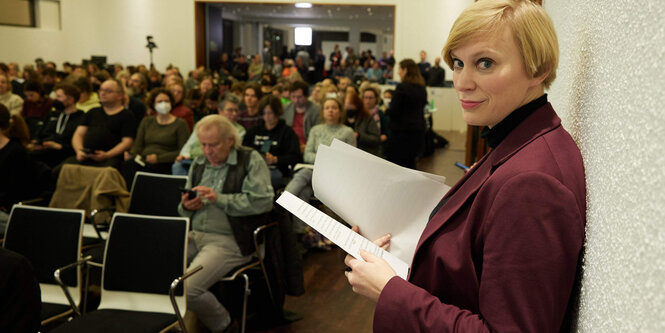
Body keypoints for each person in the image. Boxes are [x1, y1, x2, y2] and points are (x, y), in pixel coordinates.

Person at [344, 1, 586, 332]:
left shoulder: (532, 182)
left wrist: (389, 290)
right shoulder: (518, 140)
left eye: (485, 63)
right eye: (458, 63)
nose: (462, 81)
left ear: (538, 69)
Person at [178, 114, 273, 333]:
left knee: (187, 289)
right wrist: (186, 205)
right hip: (195, 234)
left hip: (231, 240)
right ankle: (183, 324)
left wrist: (218, 198)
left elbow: (262, 202)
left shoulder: (250, 160)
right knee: (155, 271)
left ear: (230, 140)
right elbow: (182, 206)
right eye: (203, 144)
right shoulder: (200, 162)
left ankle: (225, 325)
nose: (207, 151)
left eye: (214, 144)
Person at [284, 97, 356, 234]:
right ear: (322, 112)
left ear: (340, 112)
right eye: (327, 108)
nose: (330, 111)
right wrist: (326, 158)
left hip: (336, 174)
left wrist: (326, 160)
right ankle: (301, 232)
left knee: (304, 177)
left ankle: (284, 201)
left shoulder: (347, 132)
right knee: (304, 188)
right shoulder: (315, 130)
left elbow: (351, 159)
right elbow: (307, 155)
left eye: (334, 108)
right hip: (315, 170)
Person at [121, 88, 189, 186]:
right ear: (153, 104)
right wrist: (132, 154)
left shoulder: (180, 124)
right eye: (160, 101)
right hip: (144, 159)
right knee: (128, 165)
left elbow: (183, 151)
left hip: (166, 162)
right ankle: (129, 197)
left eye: (166, 101)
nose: (163, 104)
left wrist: (159, 158)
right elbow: (138, 144)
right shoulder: (147, 121)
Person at [68, 79, 136, 169]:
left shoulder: (127, 115)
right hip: (86, 155)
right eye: (101, 90)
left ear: (119, 95)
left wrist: (107, 155)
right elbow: (78, 134)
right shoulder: (92, 112)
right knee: (59, 171)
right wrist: (79, 151)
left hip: (111, 158)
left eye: (108, 91)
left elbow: (127, 142)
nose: (103, 93)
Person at [173, 95, 245, 176]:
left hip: (212, 161)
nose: (234, 114)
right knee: (177, 166)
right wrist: (183, 155)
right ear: (220, 111)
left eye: (236, 110)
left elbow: (230, 152)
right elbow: (190, 143)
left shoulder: (239, 130)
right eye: (230, 110)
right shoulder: (206, 123)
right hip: (191, 160)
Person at [243, 95, 302, 189]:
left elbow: (295, 157)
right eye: (264, 113)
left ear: (277, 112)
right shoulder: (253, 131)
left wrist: (276, 159)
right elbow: (244, 151)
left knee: (262, 178)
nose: (267, 117)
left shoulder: (286, 132)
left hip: (276, 170)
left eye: (270, 113)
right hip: (254, 167)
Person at [384, 58, 427, 169]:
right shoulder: (422, 88)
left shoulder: (402, 87)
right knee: (410, 165)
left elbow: (395, 111)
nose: (398, 72)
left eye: (399, 69)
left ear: (405, 70)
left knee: (396, 167)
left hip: (401, 135)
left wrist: (386, 111)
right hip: (418, 133)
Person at [30, 83, 85, 168]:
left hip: (64, 154)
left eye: (59, 97)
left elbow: (78, 142)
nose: (56, 100)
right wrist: (36, 142)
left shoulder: (81, 118)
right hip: (44, 151)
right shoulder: (52, 114)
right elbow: (40, 132)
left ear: (70, 99)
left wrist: (58, 146)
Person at [281, 80, 321, 153]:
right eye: (293, 97)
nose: (296, 100)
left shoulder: (316, 110)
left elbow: (318, 133)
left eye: (299, 97)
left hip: (307, 145)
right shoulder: (285, 108)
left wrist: (308, 146)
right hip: (288, 145)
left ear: (307, 96)